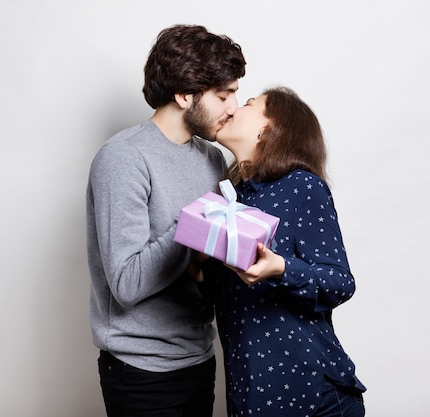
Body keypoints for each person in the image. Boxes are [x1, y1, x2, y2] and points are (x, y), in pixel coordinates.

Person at [85, 24, 246, 417]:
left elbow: (203, 268)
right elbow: (125, 283)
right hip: (142, 372)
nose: (233, 108)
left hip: (199, 358)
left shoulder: (212, 159)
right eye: (224, 95)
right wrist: (196, 222)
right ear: (184, 94)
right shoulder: (124, 158)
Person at [202, 86, 366, 416]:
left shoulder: (302, 187)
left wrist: (280, 268)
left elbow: (340, 281)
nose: (234, 109)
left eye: (249, 104)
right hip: (251, 395)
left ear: (268, 128)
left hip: (313, 393)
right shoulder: (229, 201)